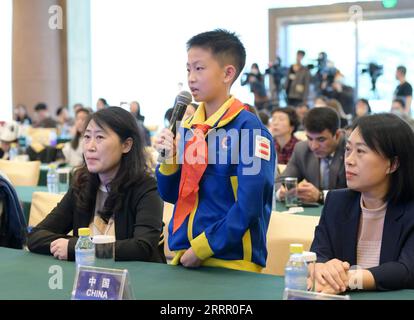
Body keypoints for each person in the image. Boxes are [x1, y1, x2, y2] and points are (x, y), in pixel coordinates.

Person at [154, 29, 275, 272]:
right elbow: (170, 194)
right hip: (184, 253)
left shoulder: (249, 130)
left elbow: (249, 205)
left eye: (199, 69)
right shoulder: (189, 128)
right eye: (188, 69)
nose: (191, 78)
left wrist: (203, 248)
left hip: (230, 260)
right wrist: (168, 159)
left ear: (228, 73)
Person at [28, 107, 166, 263]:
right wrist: (72, 245)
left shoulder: (147, 188)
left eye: (99, 137)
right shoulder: (81, 184)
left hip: (137, 281)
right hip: (90, 279)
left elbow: (142, 247)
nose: (90, 147)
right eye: (87, 137)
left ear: (126, 145)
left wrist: (76, 247)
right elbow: (36, 235)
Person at [310, 113, 414, 293]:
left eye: (360, 151)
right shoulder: (337, 202)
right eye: (348, 150)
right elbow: (319, 254)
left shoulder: (410, 209)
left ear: (393, 164)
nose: (349, 161)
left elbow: (406, 270)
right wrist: (321, 268)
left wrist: (349, 279)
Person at [276, 107, 347, 204]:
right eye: (309, 138)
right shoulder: (302, 149)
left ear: (337, 135)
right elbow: (280, 182)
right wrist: (282, 191)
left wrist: (321, 196)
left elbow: (358, 193)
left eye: (321, 140)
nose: (314, 146)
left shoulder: (352, 151)